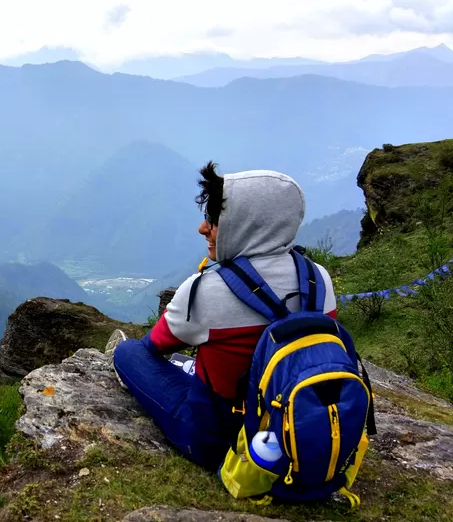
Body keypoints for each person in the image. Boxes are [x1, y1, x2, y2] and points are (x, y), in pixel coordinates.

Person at [105, 163, 338, 473]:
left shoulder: (208, 289)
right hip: (298, 436)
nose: (204, 229)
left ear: (244, 225)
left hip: (219, 443)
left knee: (129, 352)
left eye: (213, 221)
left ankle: (186, 371)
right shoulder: (318, 280)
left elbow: (155, 344)